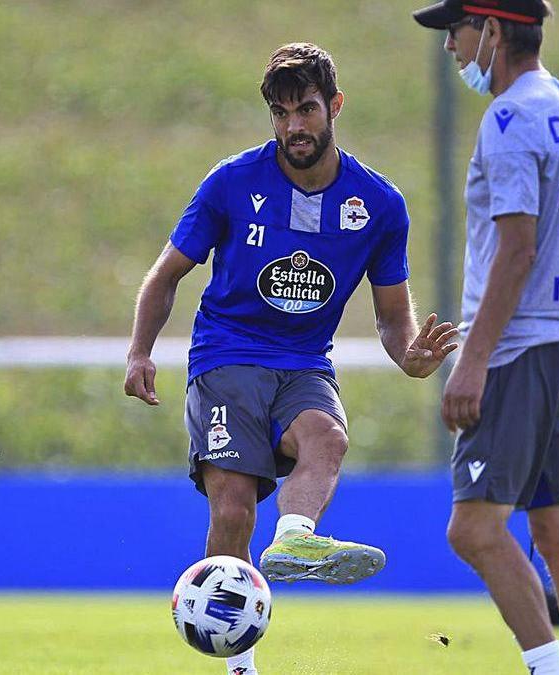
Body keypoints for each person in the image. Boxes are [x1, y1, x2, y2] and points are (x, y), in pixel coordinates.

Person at [124, 42, 458, 675]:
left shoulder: (379, 206)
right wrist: (141, 350)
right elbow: (166, 274)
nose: (294, 127)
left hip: (305, 362)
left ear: (335, 107)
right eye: (281, 114)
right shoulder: (231, 182)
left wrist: (410, 357)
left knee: (327, 437)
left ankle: (295, 542)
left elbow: (393, 319)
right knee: (232, 509)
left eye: (306, 109)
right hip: (225, 357)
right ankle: (240, 666)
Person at [411, 2, 559, 675]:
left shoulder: (508, 117)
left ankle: (549, 671)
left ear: (492, 30)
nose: (450, 47)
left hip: (520, 350)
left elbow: (517, 248)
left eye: (456, 31)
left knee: (473, 529)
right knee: (558, 529)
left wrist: (472, 362)